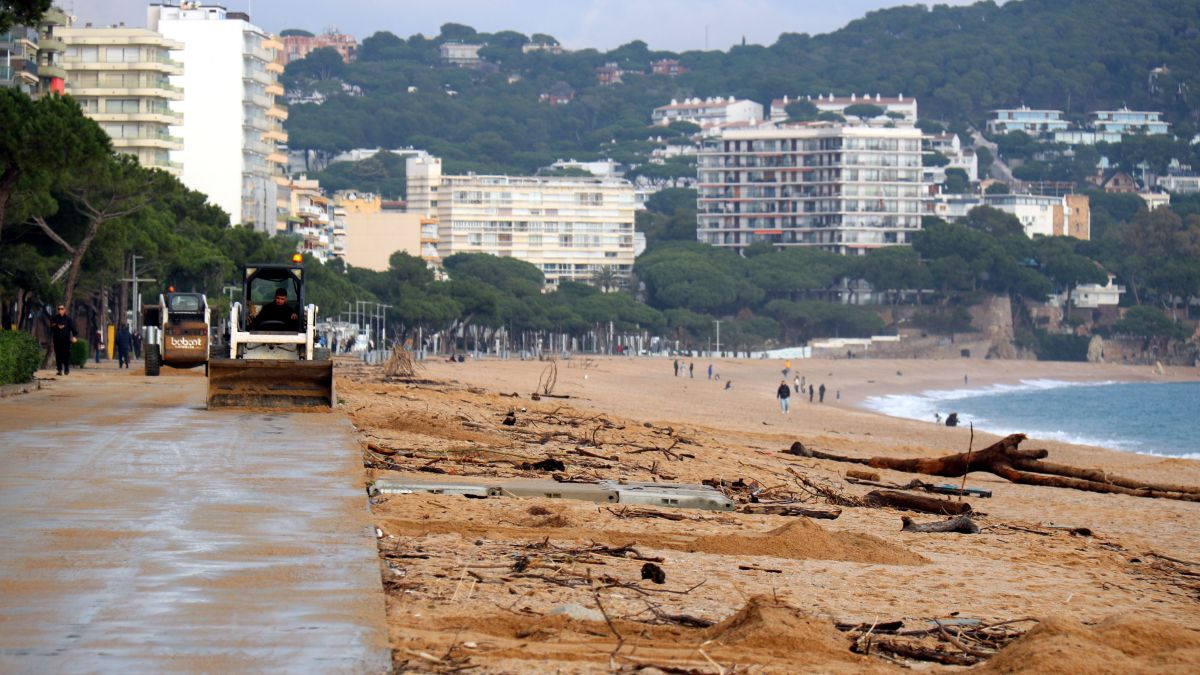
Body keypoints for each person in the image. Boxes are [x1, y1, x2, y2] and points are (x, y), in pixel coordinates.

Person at [47, 304, 77, 375]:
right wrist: (57, 326)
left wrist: (74, 336)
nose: (60, 310)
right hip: (57, 339)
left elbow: (73, 328)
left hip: (66, 340)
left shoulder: (68, 319)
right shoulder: (54, 318)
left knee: (66, 354)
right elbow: (51, 327)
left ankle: (66, 368)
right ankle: (59, 369)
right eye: (59, 309)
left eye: (62, 309)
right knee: (58, 354)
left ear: (64, 310)